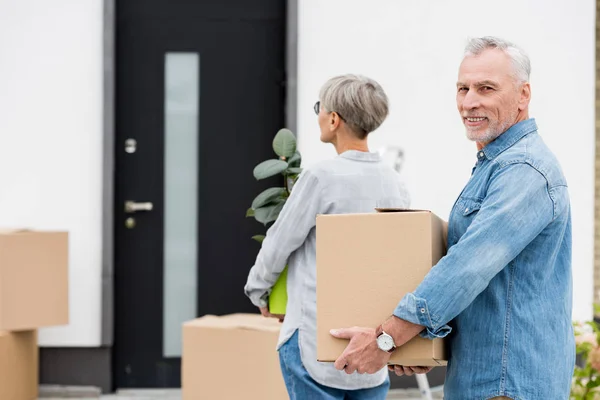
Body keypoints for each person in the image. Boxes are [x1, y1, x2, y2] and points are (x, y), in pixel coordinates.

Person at [330, 37, 575, 400]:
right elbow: (486, 287)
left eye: (486, 88)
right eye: (463, 88)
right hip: (485, 377)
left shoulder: (525, 169)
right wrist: (424, 339)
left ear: (524, 95)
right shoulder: (497, 165)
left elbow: (468, 266)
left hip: (505, 384)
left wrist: (387, 338)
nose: (469, 101)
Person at [244, 74, 410, 400]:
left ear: (334, 119)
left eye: (320, 107)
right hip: (369, 347)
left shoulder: (321, 178)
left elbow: (279, 242)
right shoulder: (395, 184)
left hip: (312, 339)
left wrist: (259, 292)